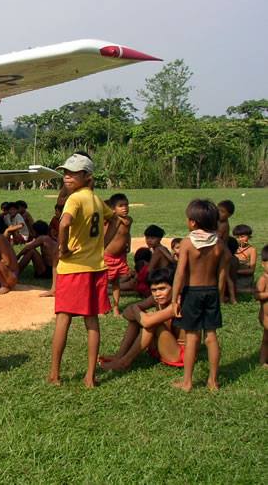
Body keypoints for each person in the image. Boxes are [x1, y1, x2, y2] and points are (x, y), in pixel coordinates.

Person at [48, 153, 114, 388]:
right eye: (66, 172)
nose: (67, 177)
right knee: (92, 322)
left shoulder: (74, 199)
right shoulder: (96, 200)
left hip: (73, 269)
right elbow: (113, 219)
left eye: (73, 173)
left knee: (63, 319)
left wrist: (63, 248)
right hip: (95, 267)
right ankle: (89, 376)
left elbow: (64, 223)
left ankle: (55, 374)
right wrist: (103, 243)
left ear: (87, 176)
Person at [172, 199, 229, 392]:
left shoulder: (188, 243)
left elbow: (180, 273)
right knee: (211, 337)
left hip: (193, 293)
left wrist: (174, 298)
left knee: (192, 338)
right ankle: (213, 381)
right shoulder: (219, 243)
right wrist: (220, 294)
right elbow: (221, 273)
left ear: (194, 222)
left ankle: (187, 382)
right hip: (211, 292)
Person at [100, 267, 184, 371]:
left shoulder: (175, 304)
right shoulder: (156, 299)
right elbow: (126, 313)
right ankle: (119, 356)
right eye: (154, 290)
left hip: (178, 354)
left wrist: (137, 309)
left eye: (162, 289)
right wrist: (139, 313)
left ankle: (124, 362)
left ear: (174, 288)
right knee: (140, 318)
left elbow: (146, 322)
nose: (158, 294)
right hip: (160, 348)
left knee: (151, 321)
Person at [103, 193, 133, 316]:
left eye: (126, 205)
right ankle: (103, 306)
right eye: (121, 206)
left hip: (120, 257)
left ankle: (116, 307)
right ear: (113, 209)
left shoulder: (129, 220)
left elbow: (127, 234)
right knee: (103, 283)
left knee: (116, 283)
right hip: (107, 257)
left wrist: (129, 244)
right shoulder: (111, 220)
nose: (125, 208)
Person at [254, 245, 268, 367]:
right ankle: (263, 361)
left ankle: (263, 361)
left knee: (266, 339)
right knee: (266, 340)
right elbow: (257, 295)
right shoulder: (263, 279)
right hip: (266, 316)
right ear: (263, 264)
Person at [233, 224, 257, 293]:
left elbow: (251, 270)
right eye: (237, 237)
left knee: (235, 290)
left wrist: (236, 272)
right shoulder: (233, 247)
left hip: (245, 277)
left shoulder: (252, 250)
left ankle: (252, 290)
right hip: (233, 276)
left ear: (249, 236)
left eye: (243, 237)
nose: (240, 239)